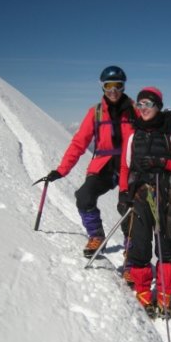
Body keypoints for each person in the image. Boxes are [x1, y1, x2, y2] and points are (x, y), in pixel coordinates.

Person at [42, 66, 137, 257]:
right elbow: (79, 142)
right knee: (84, 197)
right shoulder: (96, 113)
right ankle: (96, 235)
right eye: (108, 86)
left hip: (131, 166)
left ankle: (132, 251)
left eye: (118, 86)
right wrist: (62, 170)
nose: (113, 91)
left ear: (124, 87)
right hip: (105, 166)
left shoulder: (135, 111)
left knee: (128, 206)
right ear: (102, 87)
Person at [117, 87, 171, 318]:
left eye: (148, 104)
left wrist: (162, 162)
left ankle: (164, 294)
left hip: (165, 195)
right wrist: (123, 193)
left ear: (158, 106)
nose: (144, 109)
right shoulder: (133, 134)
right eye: (140, 105)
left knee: (164, 247)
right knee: (139, 245)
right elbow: (124, 167)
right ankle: (143, 291)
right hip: (139, 195)